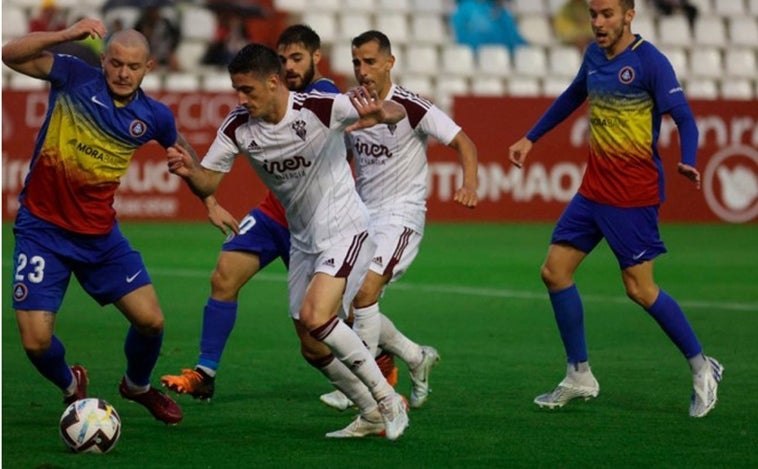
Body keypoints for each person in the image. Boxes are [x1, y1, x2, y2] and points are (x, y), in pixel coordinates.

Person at [165, 42, 410, 439]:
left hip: (346, 229)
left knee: (318, 316)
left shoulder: (317, 107)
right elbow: (209, 180)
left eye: (248, 90)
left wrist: (380, 112)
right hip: (303, 241)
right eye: (236, 91)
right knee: (312, 347)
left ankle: (387, 400)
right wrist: (190, 172)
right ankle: (370, 414)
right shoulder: (238, 126)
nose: (241, 99)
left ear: (274, 81)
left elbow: (398, 112)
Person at [507, 0, 722, 418]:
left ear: (629, 15)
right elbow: (573, 95)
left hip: (632, 195)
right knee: (554, 271)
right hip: (593, 190)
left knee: (640, 289)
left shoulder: (649, 62)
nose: (598, 22)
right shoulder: (592, 55)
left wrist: (690, 157)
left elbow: (685, 118)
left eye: (607, 14)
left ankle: (702, 367)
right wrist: (531, 137)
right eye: (593, 14)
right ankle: (579, 374)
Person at [2, 18, 183, 424]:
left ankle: (136, 385)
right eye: (115, 63)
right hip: (42, 231)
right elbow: (9, 54)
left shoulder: (154, 115)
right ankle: (71, 384)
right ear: (104, 61)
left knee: (152, 321)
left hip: (100, 237)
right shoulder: (73, 76)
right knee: (35, 342)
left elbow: (186, 157)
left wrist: (206, 197)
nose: (122, 73)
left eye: (132, 67)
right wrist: (66, 35)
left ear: (148, 68)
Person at [318, 30, 480, 420]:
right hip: (363, 214)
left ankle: (362, 385)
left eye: (370, 61)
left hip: (401, 215)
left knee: (367, 291)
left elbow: (464, 142)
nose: (362, 70)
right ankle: (414, 355)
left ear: (390, 62)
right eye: (357, 62)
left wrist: (469, 183)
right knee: (350, 309)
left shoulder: (412, 105)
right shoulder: (351, 106)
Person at [450, 0, 527, 53]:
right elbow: (462, 38)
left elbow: (515, 41)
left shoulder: (502, 13)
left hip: (499, 59)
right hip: (475, 59)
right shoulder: (465, 9)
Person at [134, 4, 181, 71]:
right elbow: (135, 39)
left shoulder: (166, 23)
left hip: (166, 52)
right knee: (150, 63)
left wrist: (171, 51)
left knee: (174, 63)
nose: (154, 14)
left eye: (155, 11)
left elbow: (176, 36)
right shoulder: (141, 24)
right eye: (151, 12)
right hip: (150, 53)